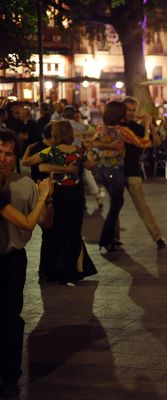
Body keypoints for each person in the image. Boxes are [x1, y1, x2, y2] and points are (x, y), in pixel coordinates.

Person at [0, 131, 53, 398]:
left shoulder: (24, 185)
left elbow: (45, 221)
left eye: (7, 153)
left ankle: (9, 372)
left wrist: (47, 196)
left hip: (11, 259)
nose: (2, 158)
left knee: (10, 317)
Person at [22, 120, 98, 284]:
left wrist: (29, 150)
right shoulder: (78, 152)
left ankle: (54, 271)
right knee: (74, 232)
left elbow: (27, 162)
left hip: (58, 196)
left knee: (56, 232)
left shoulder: (51, 151)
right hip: (75, 196)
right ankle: (74, 270)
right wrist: (89, 150)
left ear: (55, 134)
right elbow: (91, 165)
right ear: (70, 134)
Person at [121, 96, 166, 248]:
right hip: (117, 170)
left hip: (133, 171)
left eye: (133, 110)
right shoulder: (116, 126)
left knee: (142, 206)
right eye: (128, 109)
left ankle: (157, 237)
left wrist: (150, 125)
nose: (131, 113)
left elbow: (156, 142)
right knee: (114, 207)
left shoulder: (137, 127)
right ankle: (113, 239)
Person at [93, 101, 127, 251]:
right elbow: (143, 142)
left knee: (115, 203)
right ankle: (105, 239)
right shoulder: (122, 131)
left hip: (101, 170)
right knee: (116, 204)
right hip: (115, 170)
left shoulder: (100, 128)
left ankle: (111, 238)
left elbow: (94, 143)